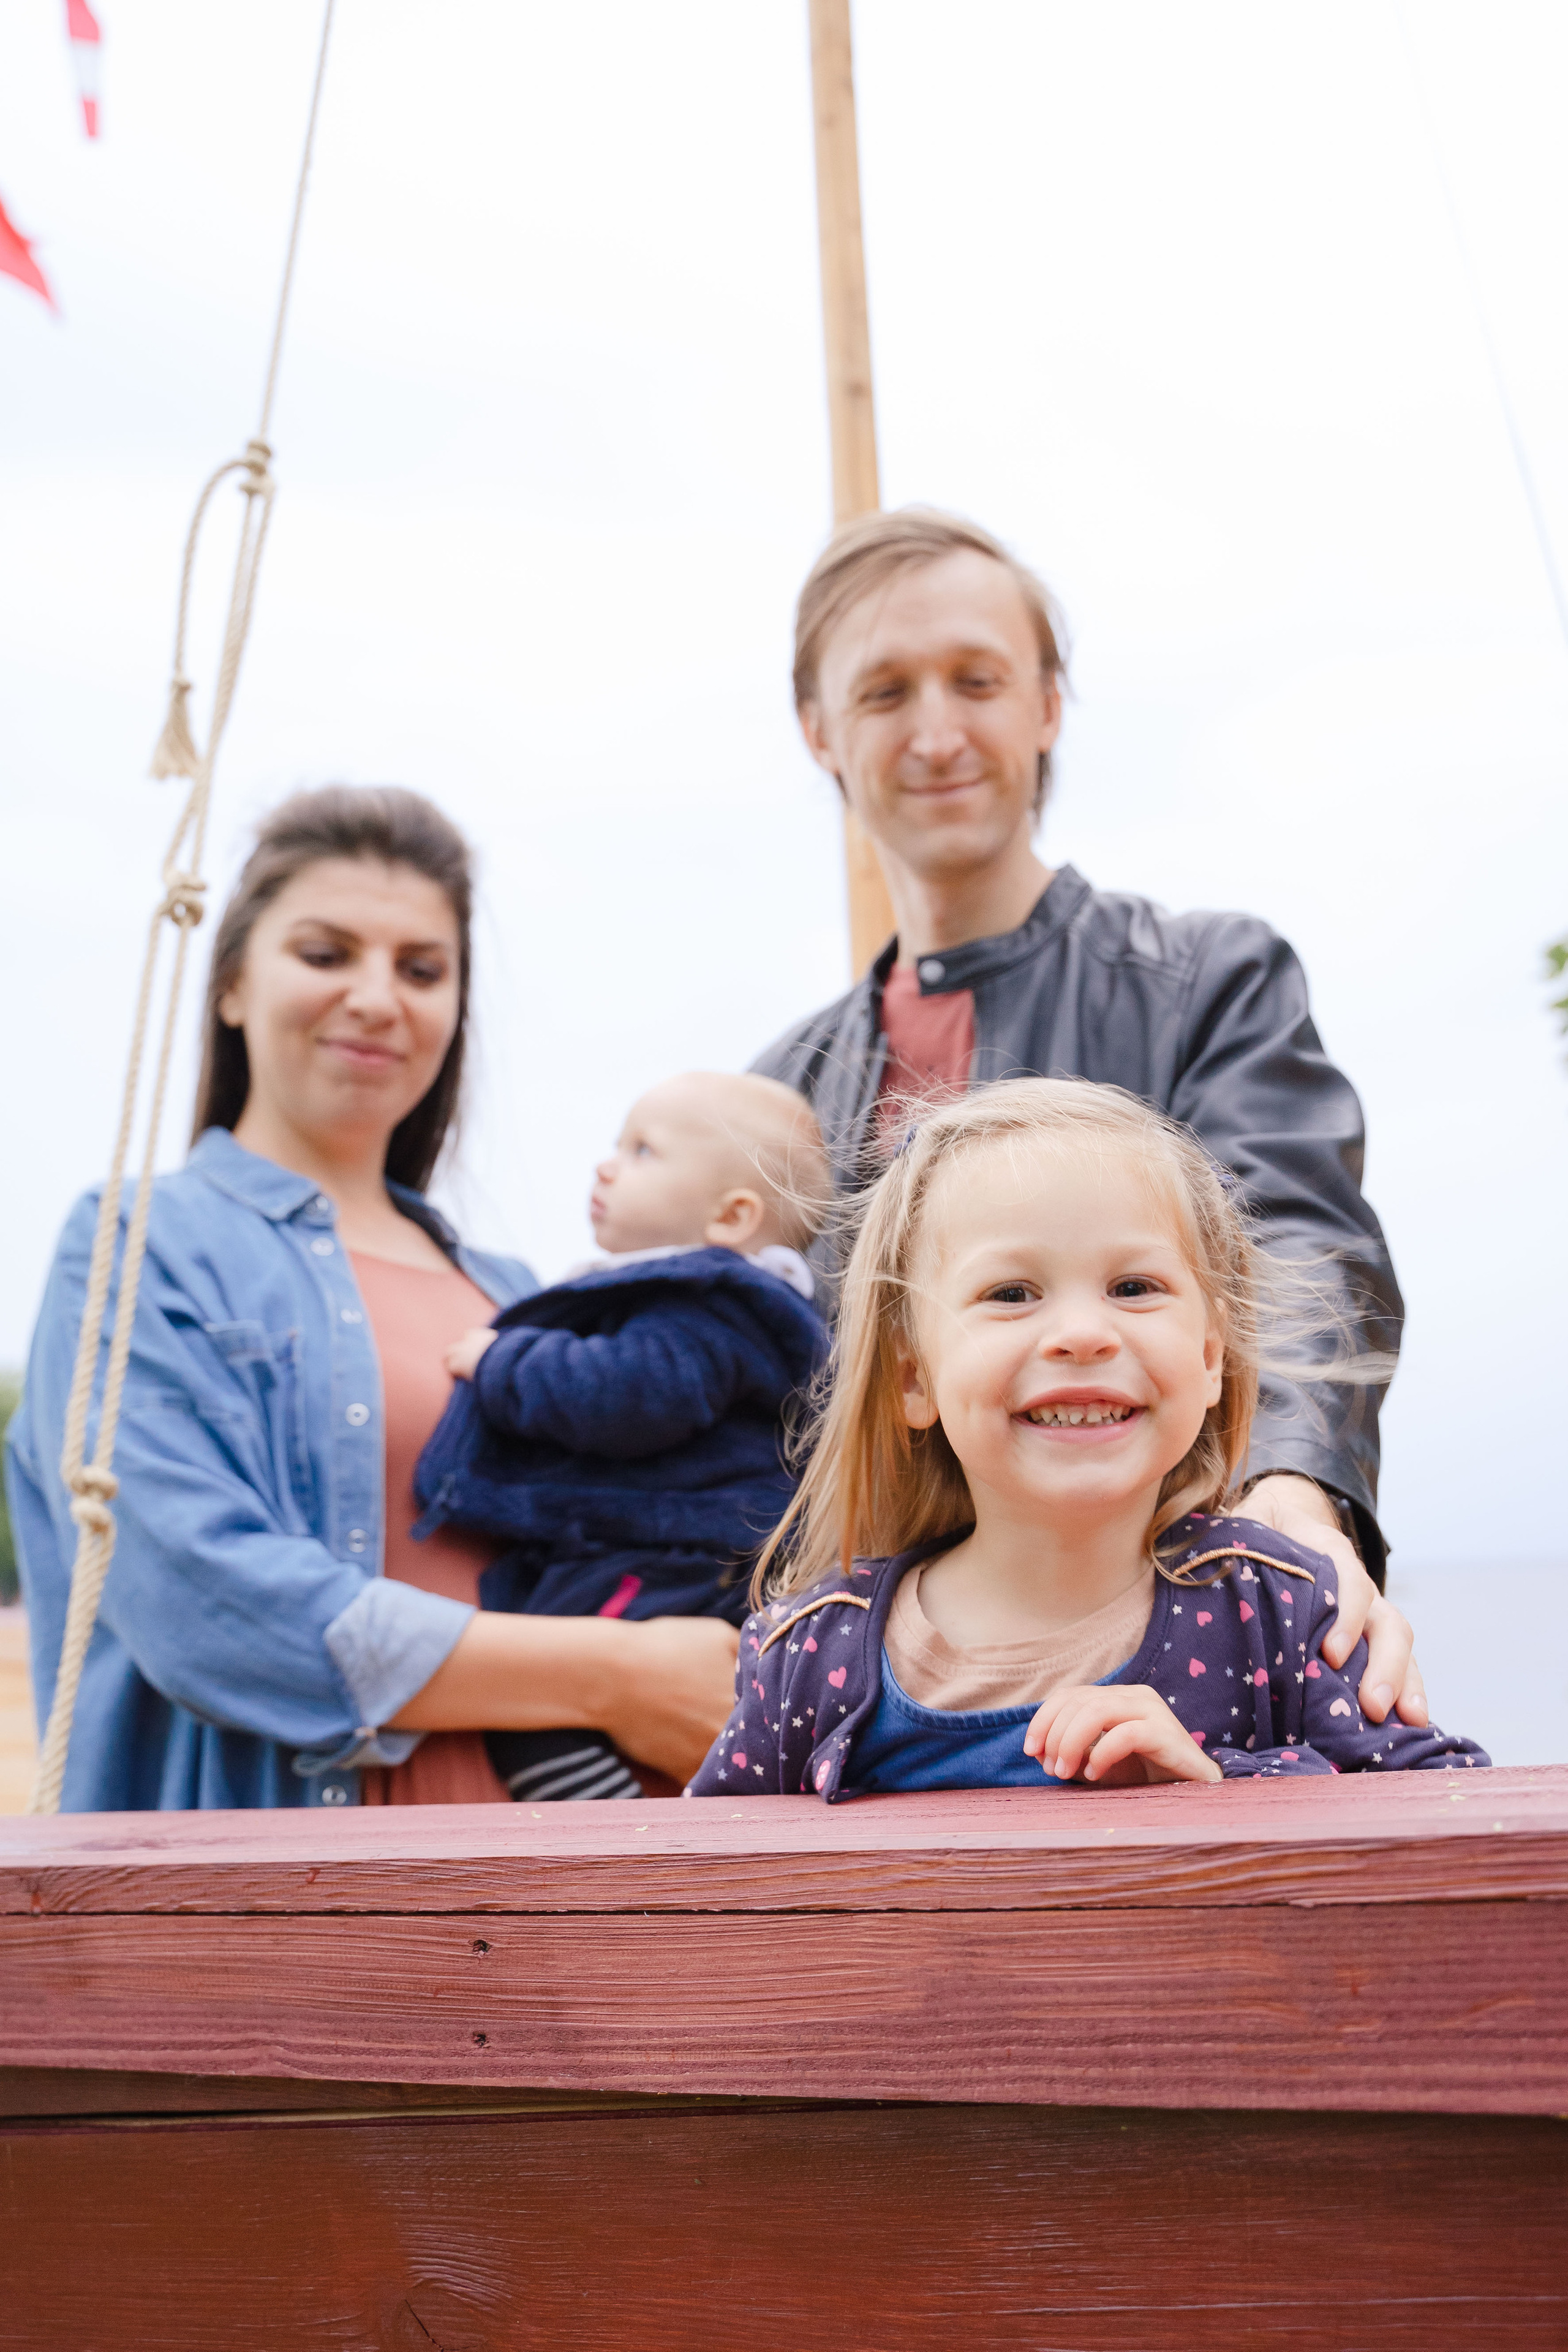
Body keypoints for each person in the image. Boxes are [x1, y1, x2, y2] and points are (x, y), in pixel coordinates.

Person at [753, 506, 1422, 1732]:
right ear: (818, 733)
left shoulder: (1206, 977)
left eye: (977, 679)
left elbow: (1300, 1243)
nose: (938, 731)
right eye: (885, 692)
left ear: (1047, 705)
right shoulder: (780, 1090)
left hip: (1173, 1682)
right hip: (878, 1720)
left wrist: (1289, 1488)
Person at [7, 787, 739, 1810]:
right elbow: (203, 1604)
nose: (377, 996)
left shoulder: (519, 1294)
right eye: (325, 954)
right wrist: (615, 1675)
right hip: (282, 1909)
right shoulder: (137, 1246)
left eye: (421, 969)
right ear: (229, 986)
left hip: (571, 1899)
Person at [687, 1080, 1485, 1800]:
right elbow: (706, 1891)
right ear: (913, 1379)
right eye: (1011, 1293)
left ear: (1210, 1359)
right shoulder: (808, 1653)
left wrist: (1217, 1786)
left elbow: (1450, 1815)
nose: (1080, 1333)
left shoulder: (1282, 1609)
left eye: (1134, 1287)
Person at [418, 1070, 829, 1801]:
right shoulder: (704, 1300)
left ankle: (620, 1836)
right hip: (660, 1555)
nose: (608, 1164)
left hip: (664, 1562)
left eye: (643, 1151)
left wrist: (501, 1360)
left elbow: (626, 1395)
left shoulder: (705, 1306)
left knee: (531, 1700)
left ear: (731, 1218)